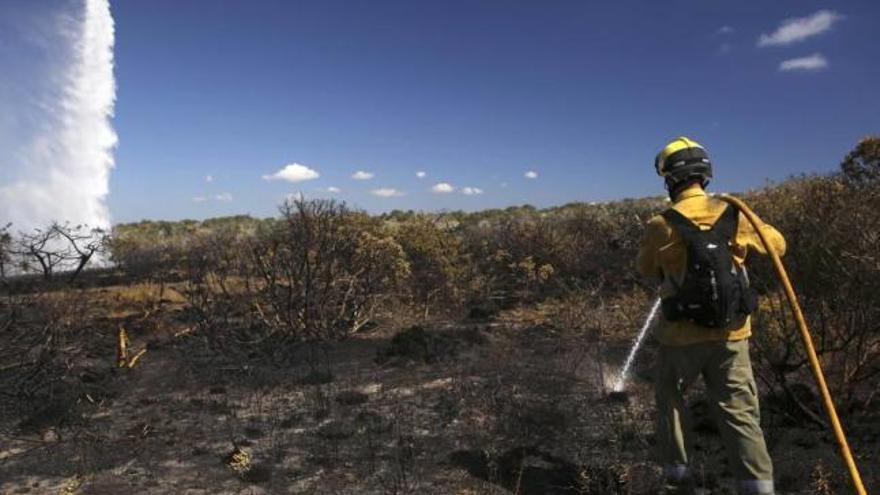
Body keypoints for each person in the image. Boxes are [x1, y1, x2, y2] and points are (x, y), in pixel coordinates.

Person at [636, 137, 786, 495]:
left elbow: (645, 268)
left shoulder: (661, 224)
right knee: (740, 412)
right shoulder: (735, 213)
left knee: (670, 399)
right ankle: (758, 487)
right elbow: (778, 246)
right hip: (732, 336)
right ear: (705, 175)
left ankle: (678, 479)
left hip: (679, 338)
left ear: (670, 179)